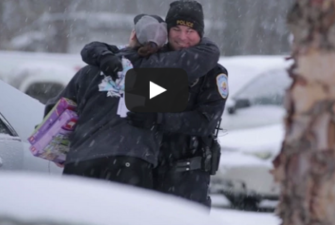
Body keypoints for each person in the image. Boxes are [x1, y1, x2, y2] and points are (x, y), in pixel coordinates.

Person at [45, 13, 220, 190]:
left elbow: (54, 110)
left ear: (133, 34)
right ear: (162, 44)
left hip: (80, 162)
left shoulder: (92, 69)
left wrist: (61, 151)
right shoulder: (163, 74)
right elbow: (192, 119)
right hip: (131, 164)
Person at [81, 0, 228, 209]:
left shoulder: (212, 73)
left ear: (201, 34)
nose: (183, 37)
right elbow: (93, 48)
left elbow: (204, 122)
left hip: (187, 176)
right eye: (176, 29)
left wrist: (158, 119)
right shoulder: (151, 56)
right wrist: (104, 56)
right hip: (144, 170)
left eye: (190, 31)